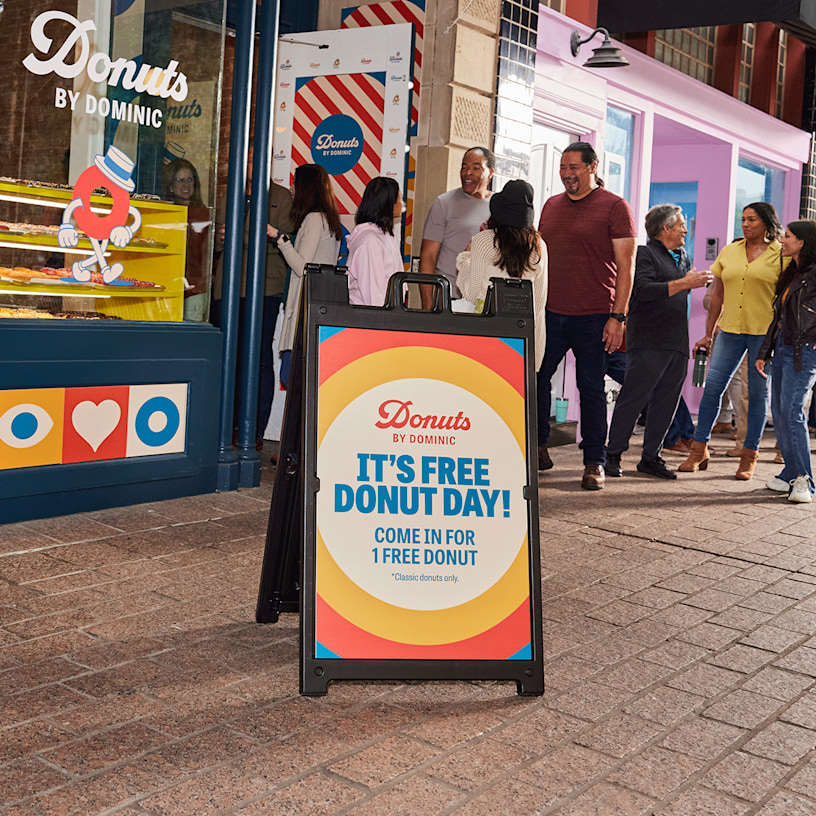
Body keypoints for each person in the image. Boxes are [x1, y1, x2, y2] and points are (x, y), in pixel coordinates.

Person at [537, 141, 637, 490]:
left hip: (595, 316)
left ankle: (595, 461)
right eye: (563, 168)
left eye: (574, 168)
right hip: (549, 313)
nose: (567, 174)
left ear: (592, 167)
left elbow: (626, 266)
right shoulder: (551, 206)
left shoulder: (615, 207)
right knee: (536, 378)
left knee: (591, 388)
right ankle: (538, 446)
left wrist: (618, 317)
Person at [605, 205, 712, 479]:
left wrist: (689, 281)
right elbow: (642, 290)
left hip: (676, 341)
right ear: (665, 228)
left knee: (667, 402)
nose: (685, 230)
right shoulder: (644, 254)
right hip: (648, 340)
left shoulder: (684, 257)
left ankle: (651, 458)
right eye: (681, 225)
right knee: (633, 399)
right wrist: (685, 283)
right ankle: (612, 455)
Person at [680, 202, 785, 480]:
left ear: (767, 223)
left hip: (763, 334)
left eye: (752, 220)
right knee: (713, 388)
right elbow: (717, 295)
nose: (745, 224)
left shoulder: (781, 255)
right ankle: (699, 450)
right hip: (730, 330)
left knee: (757, 395)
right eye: (743, 219)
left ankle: (749, 456)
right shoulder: (730, 251)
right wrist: (708, 332)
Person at [211, 144, 295, 448]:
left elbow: (282, 240)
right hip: (228, 287)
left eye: (257, 159)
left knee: (258, 359)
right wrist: (220, 238)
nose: (252, 165)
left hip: (264, 288)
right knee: (229, 357)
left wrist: (238, 234)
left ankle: (254, 430)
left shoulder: (281, 197)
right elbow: (214, 245)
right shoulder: (228, 196)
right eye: (247, 160)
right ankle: (227, 425)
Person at [455, 179, 547, 369]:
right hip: (521, 337)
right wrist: (535, 357)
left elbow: (471, 294)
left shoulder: (484, 240)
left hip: (485, 333)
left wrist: (464, 259)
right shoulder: (539, 246)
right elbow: (538, 305)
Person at [756, 220, 816, 502]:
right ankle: (790, 472)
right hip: (782, 347)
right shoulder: (793, 272)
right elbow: (778, 317)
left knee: (792, 411)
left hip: (804, 351)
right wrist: (764, 352)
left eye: (788, 236)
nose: (782, 240)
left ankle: (804, 480)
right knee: (780, 411)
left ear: (802, 242)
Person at [268, 163, 342, 384]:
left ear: (306, 187)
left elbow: (302, 266)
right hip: (318, 307)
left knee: (291, 377)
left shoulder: (313, 220)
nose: (291, 188)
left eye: (295, 182)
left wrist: (279, 238)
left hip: (304, 309)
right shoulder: (329, 220)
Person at [418, 147, 494, 311]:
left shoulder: (498, 207)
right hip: (449, 297)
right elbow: (428, 256)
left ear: (491, 173)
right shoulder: (444, 203)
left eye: (476, 168)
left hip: (485, 300)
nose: (468, 173)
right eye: (464, 167)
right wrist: (427, 305)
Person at [164, 159, 211, 322]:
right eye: (180, 180)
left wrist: (201, 282)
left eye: (189, 179)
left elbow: (204, 253)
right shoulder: (165, 212)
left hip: (194, 288)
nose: (186, 184)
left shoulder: (202, 214)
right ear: (170, 185)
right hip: (169, 286)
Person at [346, 177, 404, 306]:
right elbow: (372, 293)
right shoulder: (369, 241)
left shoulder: (383, 236)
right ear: (388, 203)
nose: (402, 203)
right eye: (399, 198)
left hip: (387, 312)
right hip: (370, 315)